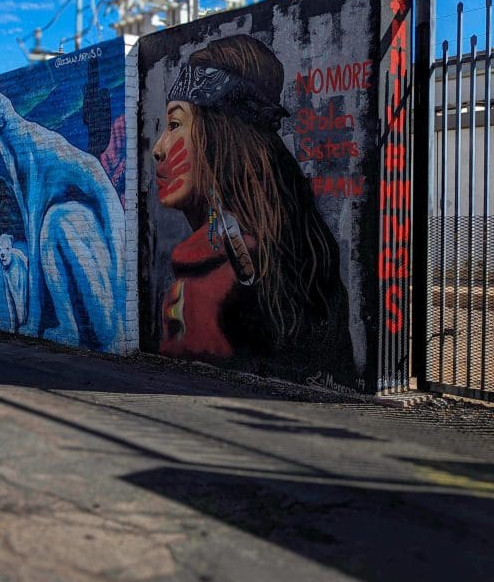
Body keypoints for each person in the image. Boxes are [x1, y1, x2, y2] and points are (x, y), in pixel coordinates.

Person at [151, 34, 355, 384]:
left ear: (220, 137)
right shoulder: (298, 253)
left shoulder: (212, 285)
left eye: (174, 125)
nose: (159, 148)